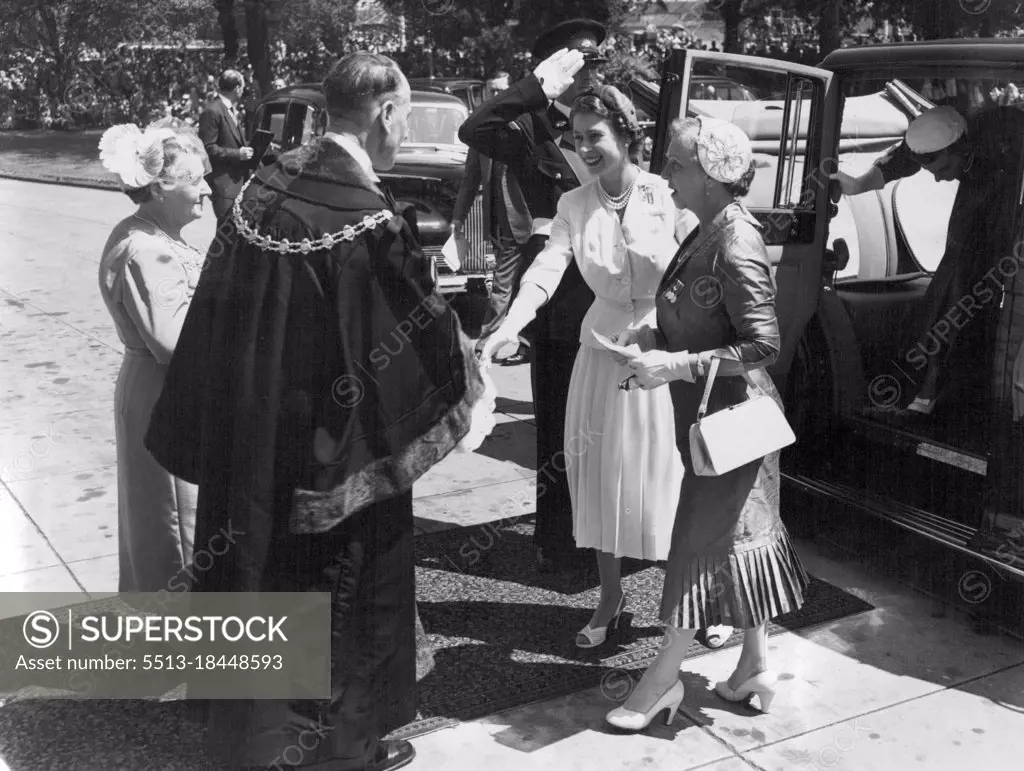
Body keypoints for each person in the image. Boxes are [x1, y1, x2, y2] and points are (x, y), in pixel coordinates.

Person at [144, 52, 494, 771]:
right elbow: (406, 343)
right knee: (339, 601)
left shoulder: (256, 192)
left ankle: (256, 746)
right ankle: (341, 753)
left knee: (256, 579)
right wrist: (467, 343)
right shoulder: (362, 225)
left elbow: (214, 323)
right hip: (330, 463)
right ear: (388, 115)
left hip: (251, 443)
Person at [605, 117, 809, 730]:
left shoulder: (734, 239)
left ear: (714, 176)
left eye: (678, 165)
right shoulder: (709, 229)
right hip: (719, 420)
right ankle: (754, 665)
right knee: (741, 539)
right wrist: (651, 334)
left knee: (694, 546)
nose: (666, 174)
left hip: (733, 423)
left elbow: (763, 345)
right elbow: (701, 315)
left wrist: (676, 363)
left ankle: (662, 680)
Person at [481, 85, 691, 647]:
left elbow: (699, 268)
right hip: (598, 357)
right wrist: (509, 324)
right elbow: (547, 270)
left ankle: (693, 602)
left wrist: (673, 333)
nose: (586, 148)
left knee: (667, 477)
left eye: (595, 135)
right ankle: (609, 599)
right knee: (599, 479)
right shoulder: (575, 205)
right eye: (577, 138)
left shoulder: (669, 196)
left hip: (660, 357)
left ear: (627, 134)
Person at [458, 18, 606, 572]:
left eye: (595, 61)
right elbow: (472, 129)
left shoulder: (604, 120)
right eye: (579, 60)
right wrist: (531, 89)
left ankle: (608, 537)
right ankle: (560, 543)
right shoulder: (526, 129)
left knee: (604, 428)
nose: (590, 70)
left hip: (613, 302)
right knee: (561, 428)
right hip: (560, 300)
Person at [832, 104, 1024, 415]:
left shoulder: (1001, 143)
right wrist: (855, 185)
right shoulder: (940, 141)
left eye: (944, 171)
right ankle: (920, 395)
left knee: (962, 300)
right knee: (945, 296)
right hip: (973, 221)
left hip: (1006, 221)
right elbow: (900, 161)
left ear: (961, 149)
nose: (937, 181)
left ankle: (925, 396)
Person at [96, 118, 210, 593]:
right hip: (168, 397)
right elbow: (176, 344)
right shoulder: (147, 250)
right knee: (176, 523)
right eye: (195, 178)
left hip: (154, 391)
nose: (206, 189)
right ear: (161, 187)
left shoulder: (149, 233)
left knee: (165, 521)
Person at [452, 69, 535, 365]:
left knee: (514, 283)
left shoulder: (525, 125)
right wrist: (459, 218)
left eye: (500, 89)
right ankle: (511, 342)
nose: (494, 95)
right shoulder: (480, 134)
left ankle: (487, 343)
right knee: (510, 282)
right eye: (490, 90)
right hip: (498, 222)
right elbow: (469, 179)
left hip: (528, 219)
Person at [198, 69, 256, 222]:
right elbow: (208, 148)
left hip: (238, 181)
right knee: (226, 229)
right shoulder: (212, 111)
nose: (243, 91)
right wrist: (238, 154)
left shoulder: (229, 110)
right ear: (237, 88)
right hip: (224, 183)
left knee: (234, 230)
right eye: (242, 87)